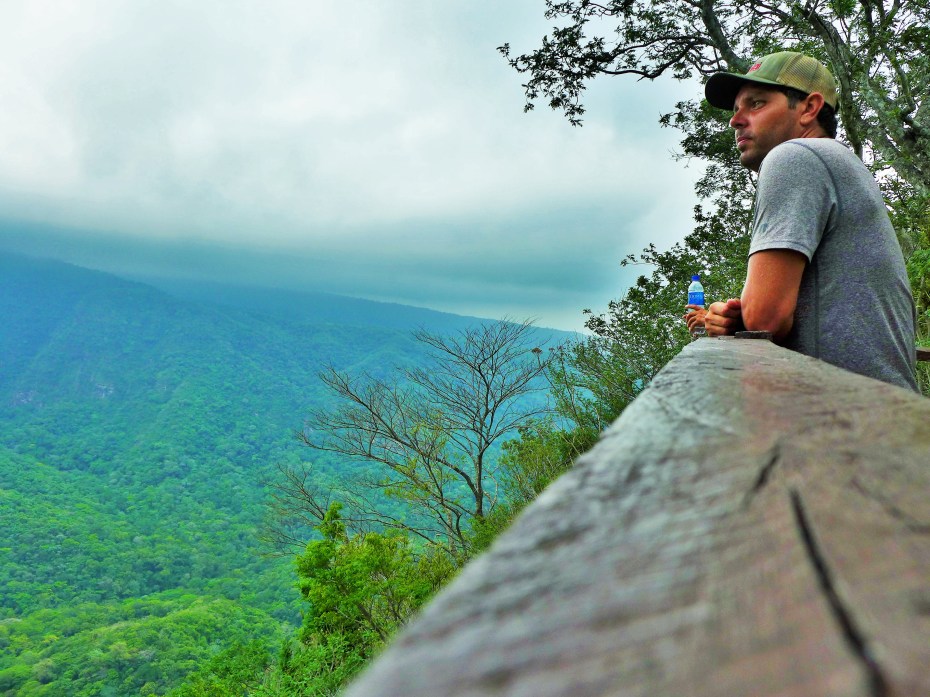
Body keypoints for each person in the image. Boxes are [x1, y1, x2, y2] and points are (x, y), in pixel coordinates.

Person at [688, 51, 918, 391]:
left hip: (845, 418)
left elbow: (765, 320)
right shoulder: (842, 164)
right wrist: (735, 317)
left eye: (756, 104)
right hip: (887, 413)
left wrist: (739, 314)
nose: (736, 121)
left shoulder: (795, 156)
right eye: (736, 110)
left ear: (809, 108)